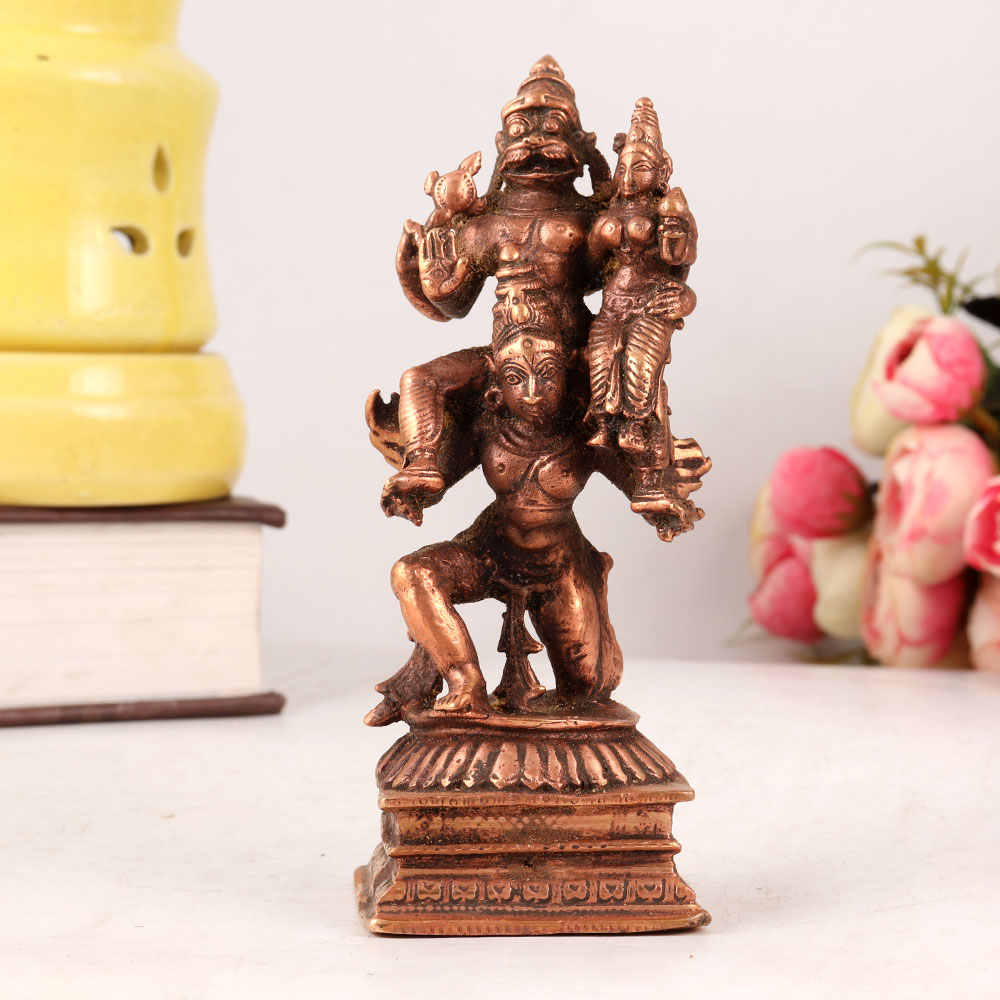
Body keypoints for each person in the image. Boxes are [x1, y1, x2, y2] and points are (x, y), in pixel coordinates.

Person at [364, 313, 706, 727]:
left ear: (566, 377)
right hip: (491, 549)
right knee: (413, 573)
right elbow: (437, 478)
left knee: (589, 688)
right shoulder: (488, 427)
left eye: (546, 375)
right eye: (515, 378)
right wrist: (411, 487)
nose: (532, 392)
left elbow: (638, 485)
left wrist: (665, 497)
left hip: (559, 562)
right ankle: (464, 682)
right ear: (496, 386)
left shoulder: (585, 433)